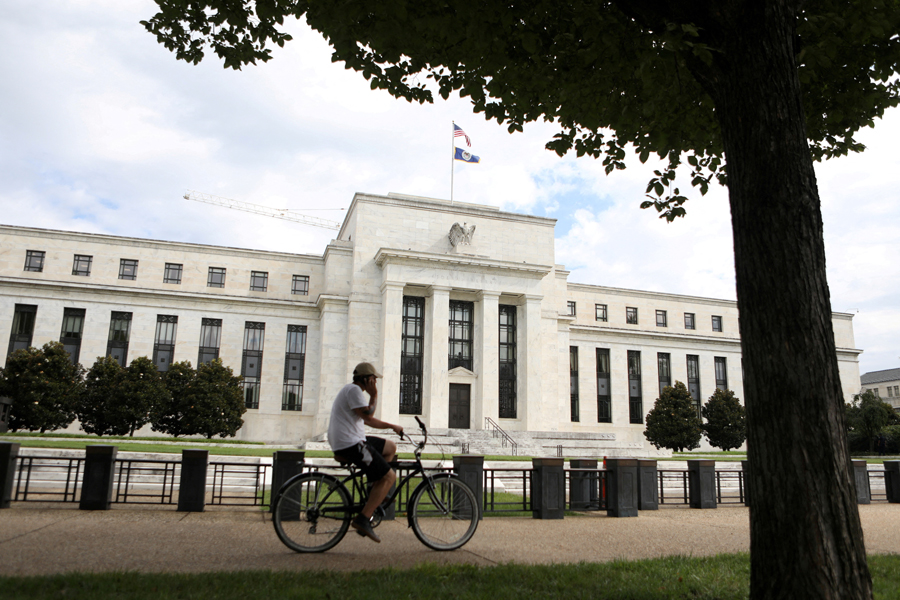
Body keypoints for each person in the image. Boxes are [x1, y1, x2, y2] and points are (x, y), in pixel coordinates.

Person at [327, 362, 403, 543]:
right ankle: (363, 519)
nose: (375, 382)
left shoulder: (354, 393)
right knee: (390, 477)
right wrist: (374, 395)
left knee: (390, 447)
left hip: (355, 440)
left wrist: (392, 427)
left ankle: (374, 489)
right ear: (367, 379)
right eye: (374, 379)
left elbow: (368, 421)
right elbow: (368, 415)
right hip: (350, 444)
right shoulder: (353, 390)